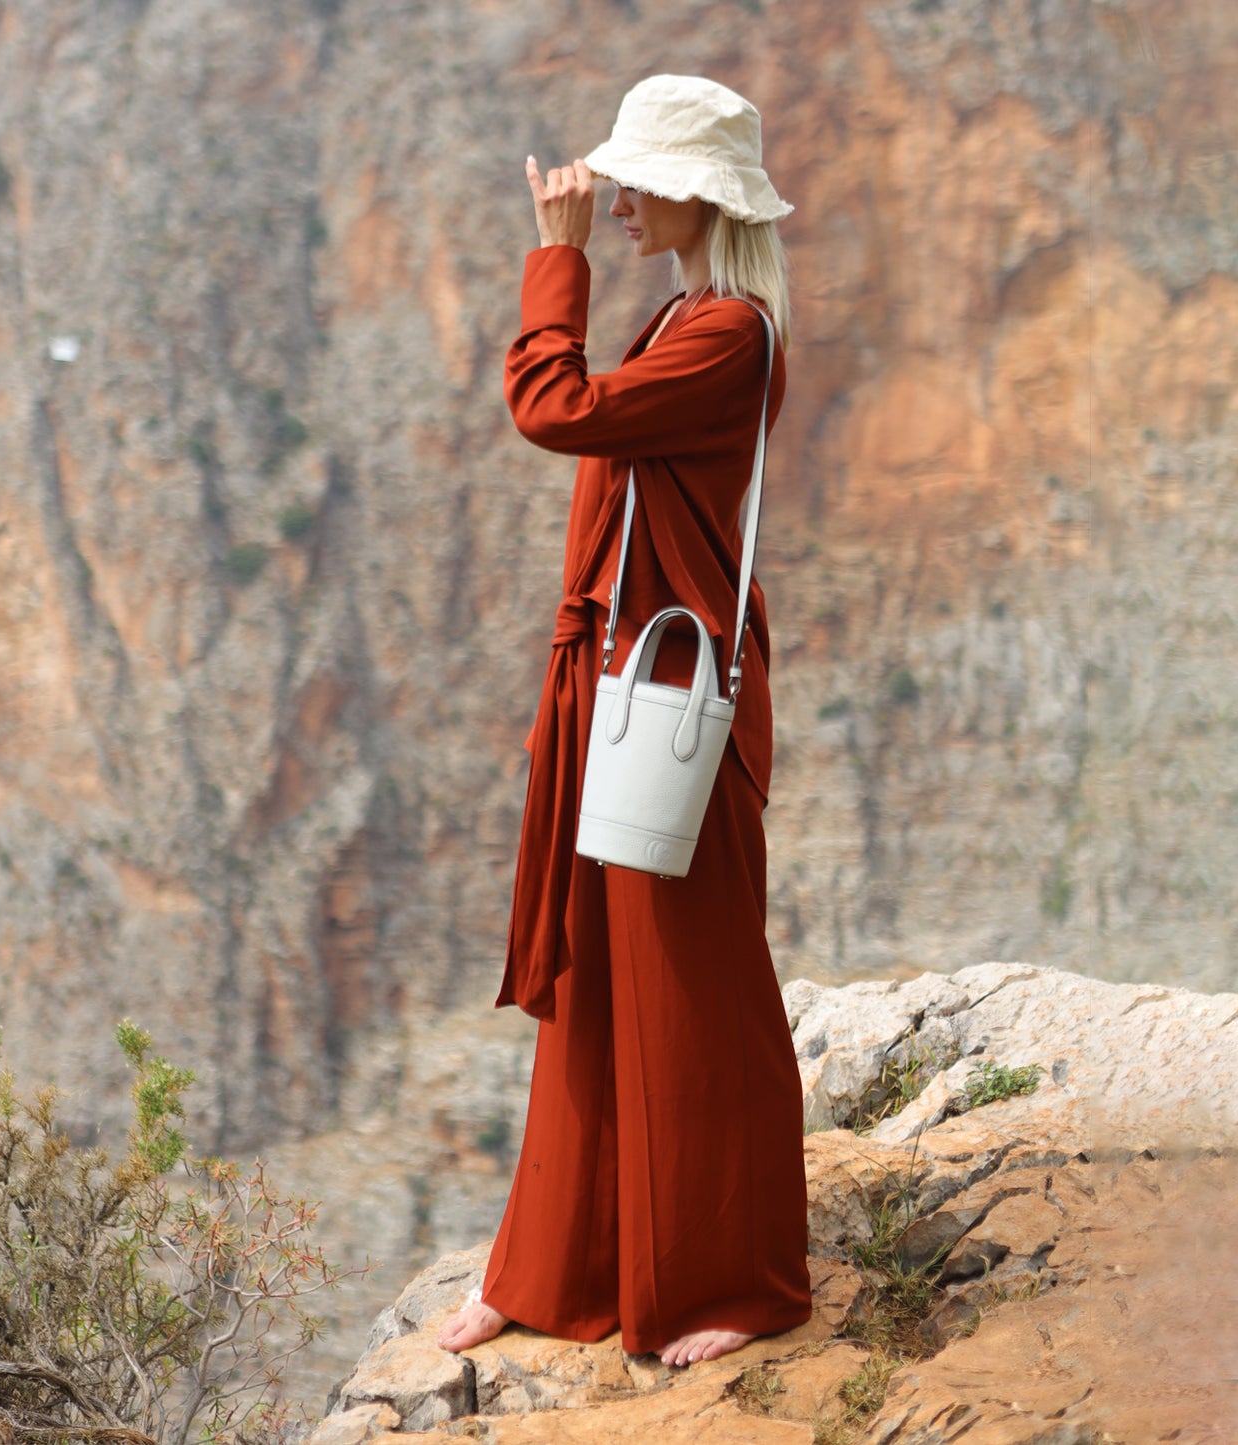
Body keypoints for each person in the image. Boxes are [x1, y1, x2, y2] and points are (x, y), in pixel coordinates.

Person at [436, 74, 811, 1370]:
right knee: (593, 989)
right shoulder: (680, 318)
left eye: (639, 183)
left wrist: (554, 265)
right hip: (614, 682)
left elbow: (554, 409)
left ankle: (737, 1278)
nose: (620, 201)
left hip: (667, 696)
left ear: (698, 194)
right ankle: (552, 1267)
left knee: (695, 992)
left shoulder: (728, 336)